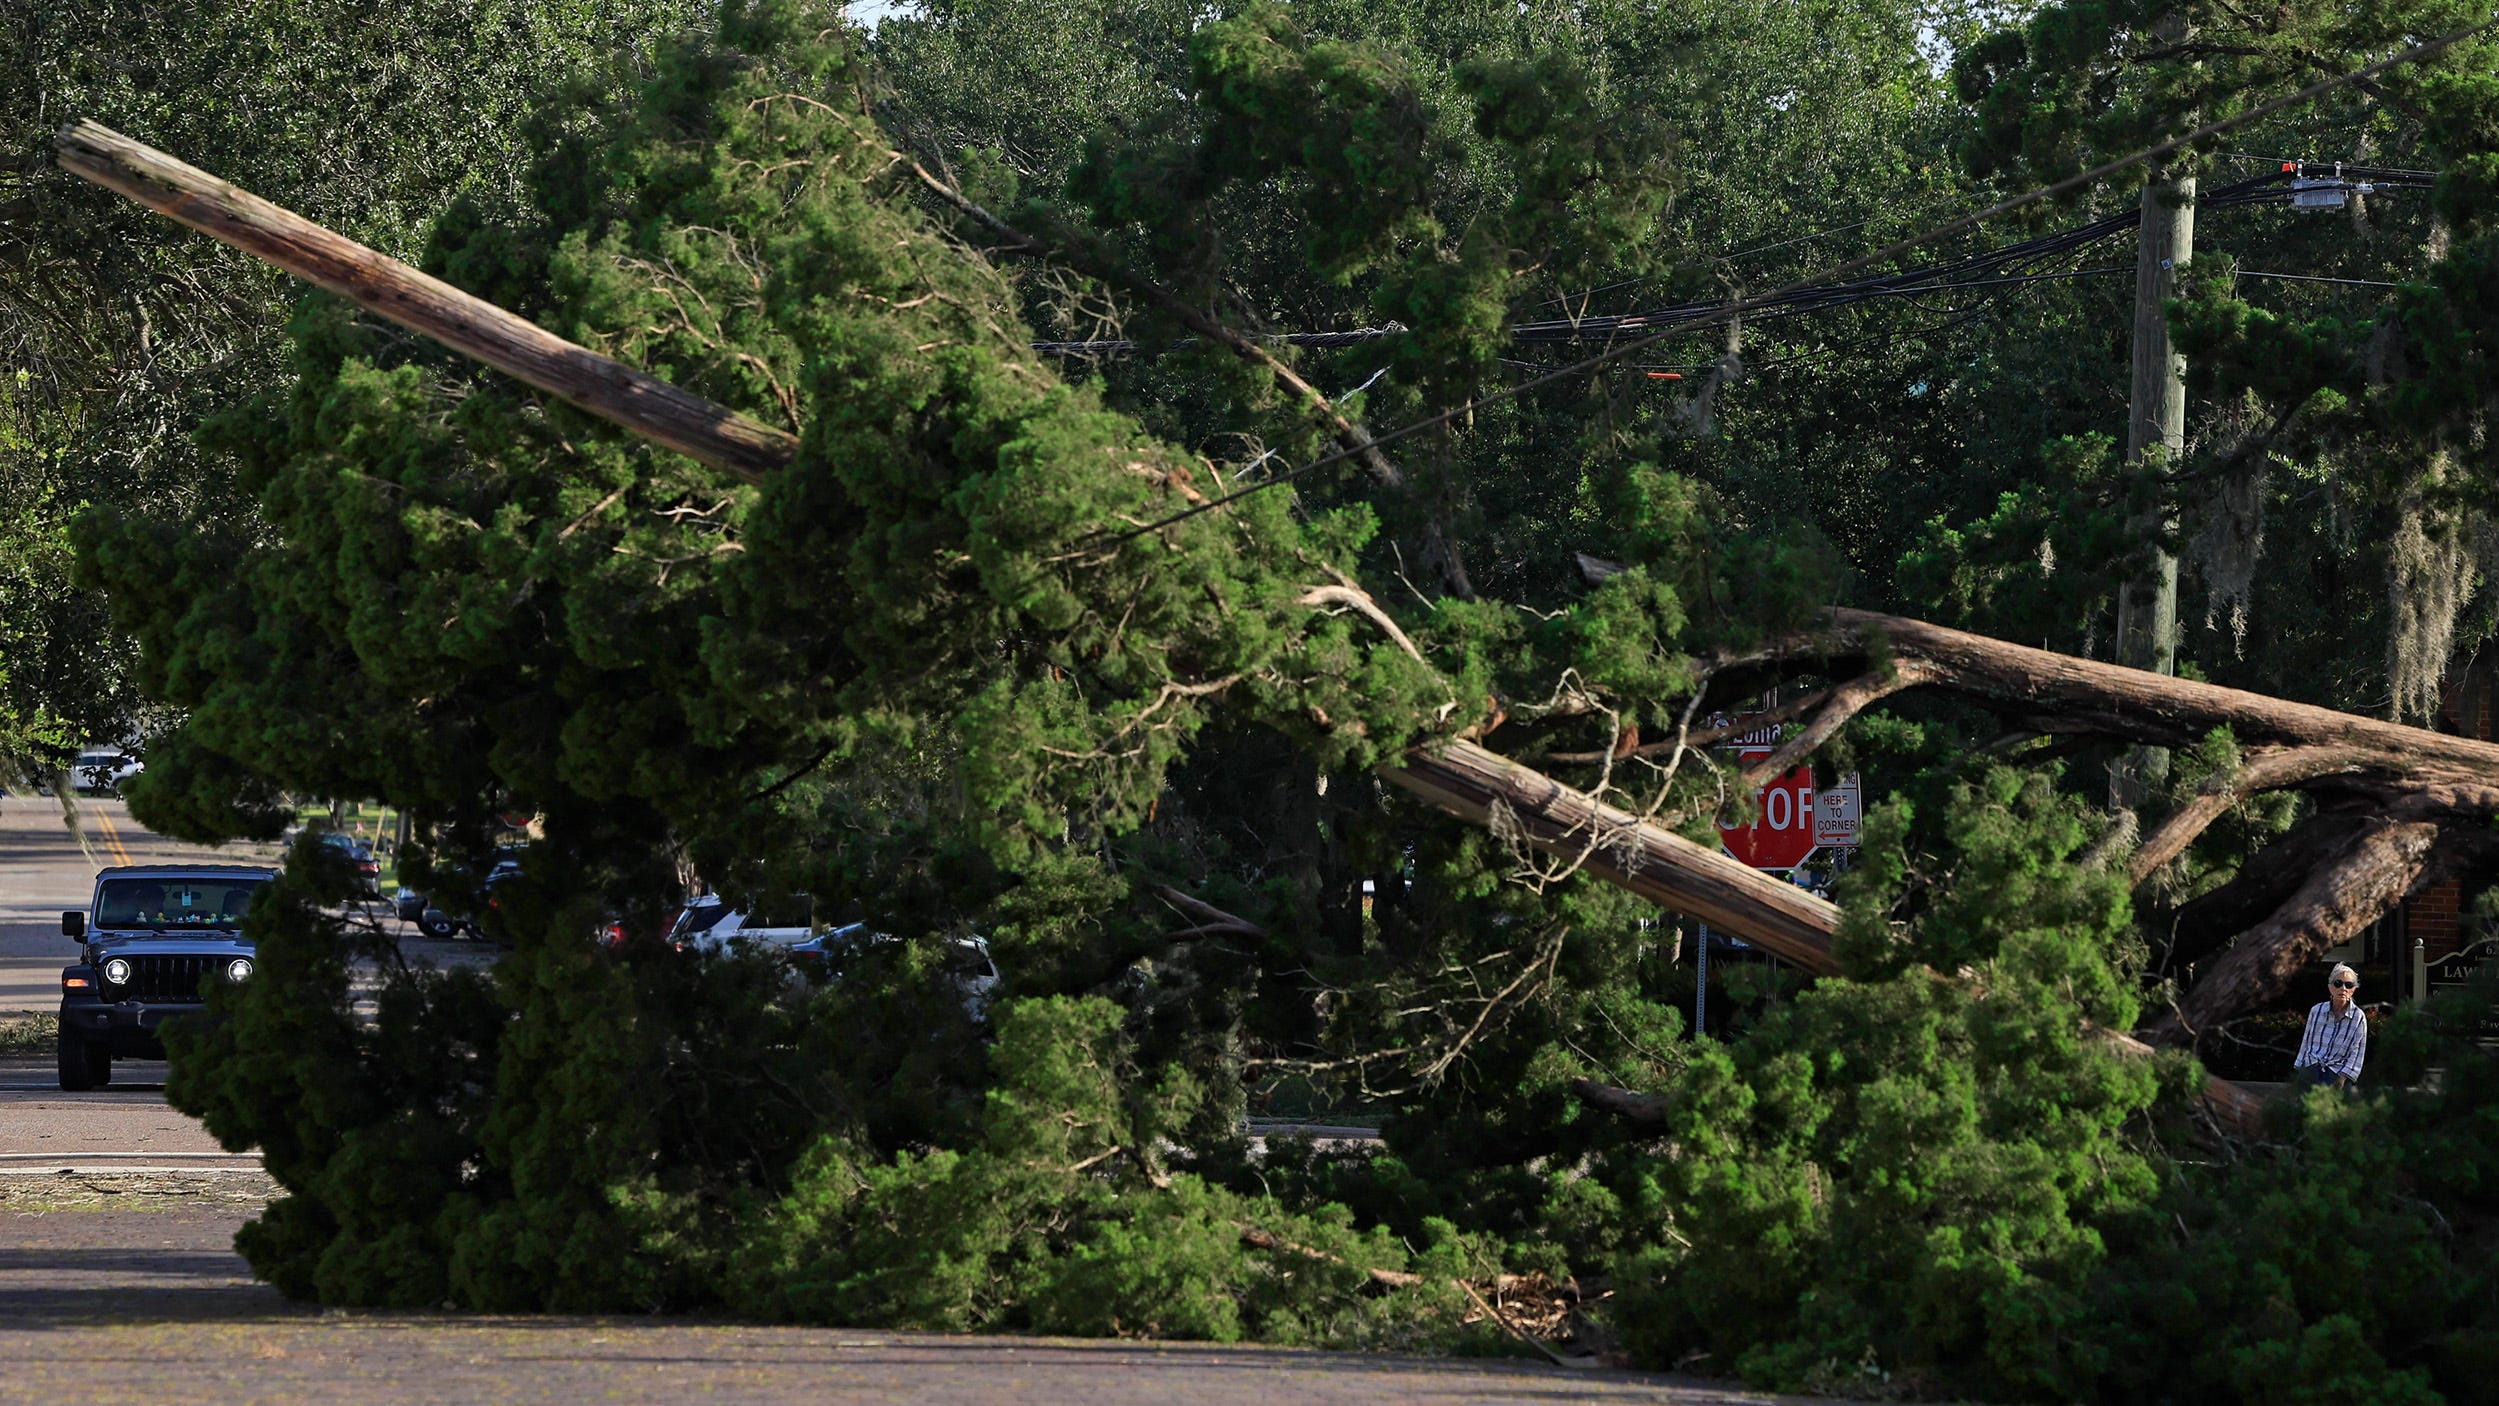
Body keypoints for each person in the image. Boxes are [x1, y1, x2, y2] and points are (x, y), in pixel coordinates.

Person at [2290, 963, 2368, 1090]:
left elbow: (2357, 1052)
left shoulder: (2358, 1017)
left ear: (2353, 989)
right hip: (2311, 1067)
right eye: (2338, 983)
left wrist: (2342, 1078)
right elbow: (2306, 1042)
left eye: (2348, 985)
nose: (2343, 988)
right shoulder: (2316, 1010)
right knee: (2302, 1108)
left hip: (2337, 1073)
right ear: (2330, 987)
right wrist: (2300, 1070)